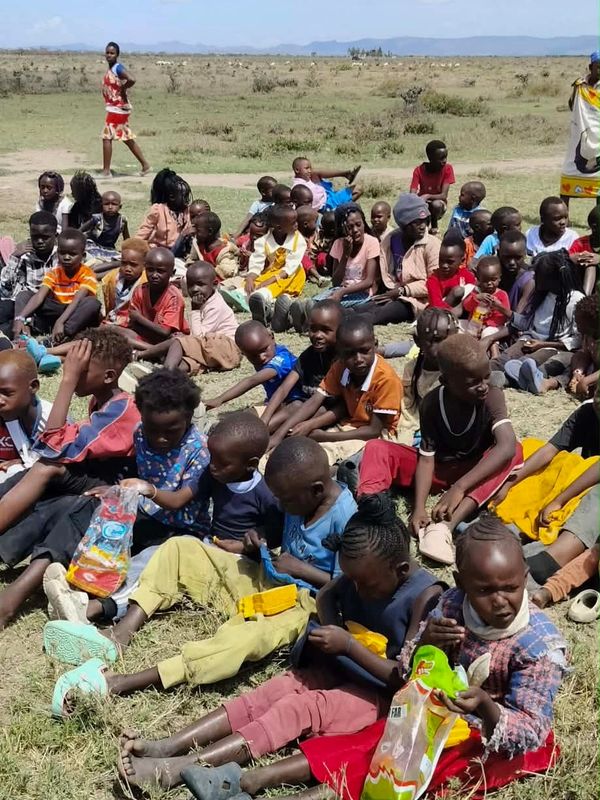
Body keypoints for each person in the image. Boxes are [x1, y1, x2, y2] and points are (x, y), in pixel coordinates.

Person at [113, 498, 442, 792]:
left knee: (298, 708)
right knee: (272, 692)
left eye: (364, 584)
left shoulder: (425, 598)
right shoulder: (365, 572)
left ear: (400, 570)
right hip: (341, 667)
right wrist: (332, 628)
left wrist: (349, 647)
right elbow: (329, 592)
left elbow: (405, 678)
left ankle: (183, 766)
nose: (355, 588)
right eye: (351, 578)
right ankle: (170, 746)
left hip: (380, 698)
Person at [50, 435, 357, 704]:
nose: (281, 504)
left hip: (306, 605)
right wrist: (257, 538)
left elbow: (351, 587)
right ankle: (121, 634)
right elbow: (280, 529)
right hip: (270, 581)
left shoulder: (348, 518)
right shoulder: (299, 495)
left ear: (317, 491)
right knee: (181, 548)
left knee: (242, 640)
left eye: (285, 500)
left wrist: (302, 570)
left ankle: (123, 682)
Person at [298, 518, 568, 800]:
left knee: (412, 767)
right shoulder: (452, 604)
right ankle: (255, 778)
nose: (500, 601)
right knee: (374, 741)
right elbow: (409, 669)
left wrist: (485, 706)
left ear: (524, 578)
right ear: (461, 583)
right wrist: (427, 645)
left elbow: (530, 729)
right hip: (440, 713)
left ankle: (327, 792)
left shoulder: (539, 645)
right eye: (485, 591)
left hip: (496, 738)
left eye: (510, 588)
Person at [0, 329, 139, 628]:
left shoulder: (121, 410)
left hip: (121, 493)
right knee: (39, 484)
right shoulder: (101, 401)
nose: (72, 371)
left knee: (47, 471)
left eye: (81, 369)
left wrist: (67, 382)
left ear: (108, 376)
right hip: (98, 481)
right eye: (71, 367)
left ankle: (12, 599)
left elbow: (52, 447)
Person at [358, 335, 522, 565]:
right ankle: (371, 512)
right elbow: (426, 458)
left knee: (514, 449)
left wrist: (459, 488)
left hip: (476, 473)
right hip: (439, 469)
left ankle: (446, 526)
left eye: (486, 377)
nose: (483, 386)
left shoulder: (492, 396)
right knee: (376, 448)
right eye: (473, 382)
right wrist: (418, 509)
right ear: (446, 381)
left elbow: (504, 447)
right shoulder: (432, 404)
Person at [492, 390, 600, 587]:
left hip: (589, 501)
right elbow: (550, 450)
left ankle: (550, 559)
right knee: (542, 453)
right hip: (577, 489)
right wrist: (511, 482)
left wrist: (559, 500)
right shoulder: (587, 413)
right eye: (599, 393)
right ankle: (514, 526)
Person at [279, 317, 403, 467]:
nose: (358, 359)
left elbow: (373, 430)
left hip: (377, 434)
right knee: (304, 454)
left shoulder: (386, 380)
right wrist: (294, 429)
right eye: (350, 354)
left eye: (364, 351)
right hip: (349, 425)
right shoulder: (340, 367)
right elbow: (315, 400)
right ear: (340, 353)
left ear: (375, 345)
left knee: (325, 463)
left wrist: (324, 436)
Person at [490, 250, 584, 394]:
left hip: (552, 347)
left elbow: (577, 340)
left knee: (529, 362)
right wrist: (502, 309)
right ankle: (475, 373)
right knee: (502, 360)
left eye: (538, 275)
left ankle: (506, 379)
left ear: (552, 279)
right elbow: (526, 323)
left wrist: (542, 344)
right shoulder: (542, 296)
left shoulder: (576, 300)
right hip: (528, 341)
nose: (534, 278)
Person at [135, 262, 240, 375]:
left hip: (226, 347)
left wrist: (195, 309)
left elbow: (197, 337)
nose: (194, 289)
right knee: (188, 362)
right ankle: (164, 374)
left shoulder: (216, 306)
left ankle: (140, 355)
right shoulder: (207, 299)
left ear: (214, 284)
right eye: (191, 285)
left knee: (178, 342)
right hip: (217, 353)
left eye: (200, 284)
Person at [264, 300, 343, 451]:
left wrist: (306, 425)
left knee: (305, 420)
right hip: (304, 405)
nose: (317, 335)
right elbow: (284, 389)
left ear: (340, 331)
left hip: (327, 410)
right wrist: (265, 419)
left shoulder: (343, 361)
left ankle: (279, 441)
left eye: (325, 330)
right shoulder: (309, 355)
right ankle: (259, 435)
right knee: (293, 407)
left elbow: (342, 406)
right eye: (313, 329)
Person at [358, 194, 441, 325]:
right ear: (404, 224)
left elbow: (435, 282)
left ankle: (352, 323)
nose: (422, 226)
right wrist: (391, 290)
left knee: (376, 315)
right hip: (392, 291)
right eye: (416, 222)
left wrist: (403, 290)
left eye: (425, 220)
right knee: (361, 308)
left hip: (417, 299)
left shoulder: (432, 245)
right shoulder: (390, 240)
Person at [293, 205, 380, 327]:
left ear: (364, 223)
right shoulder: (338, 244)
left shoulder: (371, 242)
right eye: (349, 227)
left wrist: (342, 292)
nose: (355, 230)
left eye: (358, 224)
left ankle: (308, 321)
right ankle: (292, 316)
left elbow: (369, 281)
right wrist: (345, 254)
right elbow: (336, 281)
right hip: (340, 289)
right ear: (342, 229)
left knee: (329, 306)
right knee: (314, 301)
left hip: (363, 292)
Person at [11, 228, 100, 343]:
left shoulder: (87, 274)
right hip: (57, 311)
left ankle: (62, 336)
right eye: (62, 253)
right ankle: (22, 332)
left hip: (75, 313)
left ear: (82, 256)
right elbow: (40, 296)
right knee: (24, 295)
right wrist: (20, 317)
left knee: (92, 303)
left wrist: (61, 322)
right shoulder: (54, 273)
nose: (67, 257)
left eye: (72, 254)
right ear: (57, 253)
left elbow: (78, 299)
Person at [204, 321, 302, 421]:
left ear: (272, 337)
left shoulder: (282, 359)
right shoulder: (265, 357)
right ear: (244, 353)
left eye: (264, 349)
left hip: (295, 403)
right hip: (276, 403)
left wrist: (220, 399)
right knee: (246, 416)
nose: (261, 357)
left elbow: (252, 381)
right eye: (253, 355)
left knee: (255, 421)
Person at [395, 307, 458, 446]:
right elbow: (408, 406)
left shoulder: (458, 373)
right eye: (436, 340)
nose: (444, 347)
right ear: (418, 341)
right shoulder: (412, 369)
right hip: (416, 426)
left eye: (450, 340)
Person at [237, 205, 306, 329]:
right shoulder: (263, 241)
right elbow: (256, 264)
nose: (297, 225)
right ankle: (240, 295)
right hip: (271, 272)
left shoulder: (298, 241)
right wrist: (250, 279)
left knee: (275, 285)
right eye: (293, 222)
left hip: (291, 275)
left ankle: (263, 296)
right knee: (254, 282)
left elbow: (290, 268)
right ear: (279, 227)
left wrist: (266, 283)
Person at [0, 211, 58, 338]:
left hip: (46, 304)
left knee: (9, 327)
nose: (40, 241)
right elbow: (6, 289)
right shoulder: (25, 255)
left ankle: (20, 333)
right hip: (21, 304)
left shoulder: (60, 256)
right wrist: (14, 257)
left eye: (45, 237)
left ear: (55, 236)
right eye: (35, 236)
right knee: (3, 310)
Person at [0, 350, 52, 483]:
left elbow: (59, 465)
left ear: (33, 387)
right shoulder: (8, 412)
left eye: (7, 393)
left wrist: (27, 464)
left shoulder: (51, 419)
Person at [101, 41, 150, 177]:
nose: (109, 55)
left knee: (106, 137)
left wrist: (123, 88)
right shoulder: (111, 68)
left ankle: (106, 171)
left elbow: (132, 79)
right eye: (107, 52)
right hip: (116, 108)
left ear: (117, 55)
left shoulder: (118, 68)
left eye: (112, 53)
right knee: (126, 138)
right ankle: (145, 165)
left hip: (118, 108)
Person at [560, 50, 600, 205]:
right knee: (569, 171)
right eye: (599, 67)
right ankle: (565, 214)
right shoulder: (579, 85)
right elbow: (572, 105)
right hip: (579, 135)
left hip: (598, 138)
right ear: (591, 67)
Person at [127, 247, 188, 344]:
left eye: (160, 271)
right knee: (115, 330)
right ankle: (151, 350)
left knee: (175, 341)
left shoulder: (174, 297)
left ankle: (147, 351)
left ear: (172, 273)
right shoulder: (140, 291)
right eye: (150, 270)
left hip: (168, 339)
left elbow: (165, 332)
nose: (154, 275)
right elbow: (133, 323)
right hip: (145, 333)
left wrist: (139, 318)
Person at [461, 257, 511, 356]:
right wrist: (476, 298)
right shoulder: (476, 292)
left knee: (487, 333)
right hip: (475, 322)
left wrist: (487, 323)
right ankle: (466, 352)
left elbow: (503, 316)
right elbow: (466, 306)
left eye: (493, 279)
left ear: (499, 278)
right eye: (485, 280)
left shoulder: (501, 294)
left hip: (494, 326)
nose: (489, 284)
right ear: (478, 279)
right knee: (461, 327)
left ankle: (495, 356)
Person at [136, 169, 192, 249]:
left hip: (181, 253)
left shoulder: (188, 211)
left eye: (187, 194)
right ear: (171, 197)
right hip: (159, 253)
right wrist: (131, 248)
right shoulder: (158, 210)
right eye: (184, 195)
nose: (187, 199)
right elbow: (143, 233)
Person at [409, 140, 455, 234]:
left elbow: (443, 195)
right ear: (430, 158)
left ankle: (434, 225)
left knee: (436, 205)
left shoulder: (447, 169)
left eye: (445, 157)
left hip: (439, 204)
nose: (444, 161)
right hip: (423, 203)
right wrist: (416, 200)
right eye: (441, 158)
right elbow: (412, 193)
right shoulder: (419, 170)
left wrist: (427, 196)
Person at [101, 237, 149, 326]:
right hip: (113, 318)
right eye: (124, 263)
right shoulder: (112, 278)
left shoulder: (145, 284)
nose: (127, 269)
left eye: (133, 265)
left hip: (133, 324)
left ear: (144, 265)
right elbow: (110, 306)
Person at [425, 232, 476, 311]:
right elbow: (436, 306)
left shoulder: (465, 275)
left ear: (462, 261)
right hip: (441, 314)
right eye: (441, 260)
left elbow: (474, 292)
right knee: (457, 291)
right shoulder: (434, 280)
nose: (444, 265)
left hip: (464, 311)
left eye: (450, 262)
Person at [292, 157, 361, 211]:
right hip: (327, 205)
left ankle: (345, 174)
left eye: (310, 168)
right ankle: (339, 210)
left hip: (328, 197)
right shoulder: (298, 188)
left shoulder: (308, 178)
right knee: (358, 189)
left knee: (315, 173)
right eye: (306, 168)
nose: (309, 171)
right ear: (297, 170)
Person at [185, 211, 239, 280]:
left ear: (210, 231)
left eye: (198, 230)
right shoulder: (198, 243)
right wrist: (192, 266)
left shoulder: (224, 251)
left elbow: (228, 272)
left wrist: (205, 269)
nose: (194, 232)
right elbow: (192, 259)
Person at [81, 190, 129, 263]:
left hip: (109, 250)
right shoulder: (97, 219)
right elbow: (79, 231)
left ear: (120, 206)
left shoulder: (122, 221)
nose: (110, 207)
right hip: (93, 247)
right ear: (101, 205)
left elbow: (127, 239)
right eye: (106, 204)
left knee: (120, 261)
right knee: (93, 260)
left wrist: (127, 250)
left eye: (114, 204)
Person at [567, 293, 599, 398]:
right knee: (574, 358)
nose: (577, 327)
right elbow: (584, 354)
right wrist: (578, 372)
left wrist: (587, 381)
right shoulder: (588, 336)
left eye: (579, 323)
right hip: (594, 369)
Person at [497, 229, 534, 311]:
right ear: (498, 252)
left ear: (525, 254)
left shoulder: (528, 280)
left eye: (517, 257)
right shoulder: (491, 270)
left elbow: (518, 314)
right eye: (507, 257)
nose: (512, 262)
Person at [569, 205, 600, 295]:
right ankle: (584, 299)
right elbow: (567, 259)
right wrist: (578, 258)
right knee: (590, 264)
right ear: (594, 228)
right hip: (582, 283)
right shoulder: (581, 243)